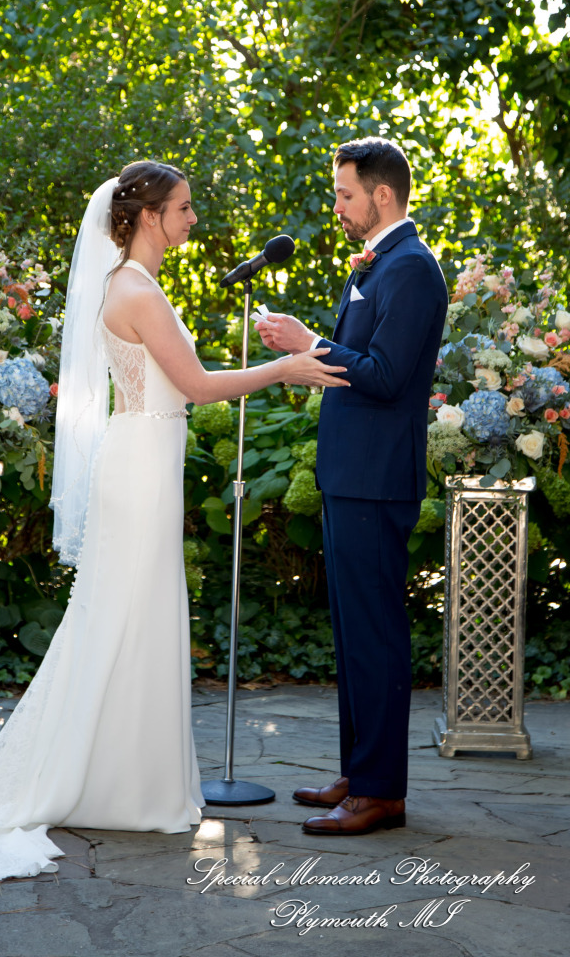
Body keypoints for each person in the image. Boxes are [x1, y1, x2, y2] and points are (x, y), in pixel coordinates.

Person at [0, 160, 346, 887]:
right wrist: (284, 370)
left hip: (144, 459)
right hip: (139, 466)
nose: (193, 218)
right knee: (126, 616)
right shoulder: (135, 289)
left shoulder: (134, 285)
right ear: (148, 216)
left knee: (133, 618)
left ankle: (125, 784)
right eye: (184, 207)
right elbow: (195, 386)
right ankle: (124, 788)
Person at [256, 137, 448, 836]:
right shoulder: (379, 261)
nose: (336, 206)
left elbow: (387, 376)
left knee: (375, 634)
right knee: (352, 632)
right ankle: (359, 771)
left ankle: (381, 793)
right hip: (350, 473)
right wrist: (306, 348)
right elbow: (361, 364)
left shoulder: (412, 268)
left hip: (376, 477)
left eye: (345, 194)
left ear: (382, 195)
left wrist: (309, 342)